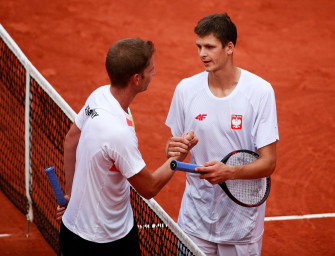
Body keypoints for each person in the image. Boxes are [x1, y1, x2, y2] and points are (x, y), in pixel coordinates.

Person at [57, 38, 198, 256]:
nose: (154, 73)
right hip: (105, 243)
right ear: (136, 79)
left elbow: (70, 141)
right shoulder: (118, 133)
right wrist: (176, 159)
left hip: (75, 229)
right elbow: (148, 188)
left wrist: (70, 194)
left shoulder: (100, 95)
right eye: (151, 69)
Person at [165, 13, 279, 256]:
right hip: (195, 219)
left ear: (229, 47)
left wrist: (229, 172)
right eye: (199, 47)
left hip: (240, 224)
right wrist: (176, 148)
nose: (202, 54)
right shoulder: (186, 90)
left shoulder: (260, 92)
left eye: (209, 47)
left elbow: (269, 162)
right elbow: (173, 150)